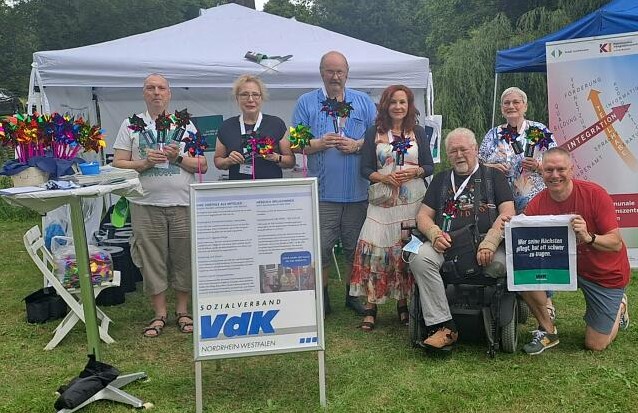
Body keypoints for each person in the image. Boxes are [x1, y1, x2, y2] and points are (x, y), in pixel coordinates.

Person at [113, 73, 208, 337]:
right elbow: (118, 162)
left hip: (183, 203)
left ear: (169, 94)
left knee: (183, 257)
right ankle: (159, 314)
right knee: (150, 259)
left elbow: (202, 165)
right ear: (144, 93)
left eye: (161, 88)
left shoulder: (186, 125)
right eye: (150, 88)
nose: (156, 92)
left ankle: (183, 311)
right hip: (145, 203)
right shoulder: (131, 125)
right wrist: (144, 164)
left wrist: (177, 159)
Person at [408, 127, 515, 350]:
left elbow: (507, 213)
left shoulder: (493, 177)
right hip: (447, 244)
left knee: (500, 266)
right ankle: (444, 326)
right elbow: (423, 216)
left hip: (486, 244)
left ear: (475, 149)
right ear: (448, 155)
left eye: (463, 149)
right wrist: (434, 234)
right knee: (420, 258)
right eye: (453, 151)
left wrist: (491, 242)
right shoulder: (440, 180)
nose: (459, 155)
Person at [517, 147, 630, 355]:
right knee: (522, 271)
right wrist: (510, 226)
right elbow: (523, 236)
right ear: (542, 172)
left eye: (561, 169)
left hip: (603, 273)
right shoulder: (538, 203)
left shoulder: (595, 194)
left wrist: (589, 238)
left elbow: (615, 243)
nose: (555, 175)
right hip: (564, 268)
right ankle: (547, 331)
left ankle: (619, 306)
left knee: (595, 345)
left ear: (571, 170)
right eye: (549, 170)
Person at [291, 51, 377, 315]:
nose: (335, 76)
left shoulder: (363, 102)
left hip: (357, 192)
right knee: (322, 248)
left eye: (340, 71)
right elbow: (295, 143)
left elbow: (378, 139)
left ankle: (354, 295)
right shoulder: (306, 103)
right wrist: (318, 143)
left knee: (355, 248)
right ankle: (322, 297)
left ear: (347, 74)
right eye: (330, 71)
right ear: (321, 73)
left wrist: (358, 145)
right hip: (323, 193)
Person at [349, 85, 434, 331]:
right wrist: (383, 177)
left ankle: (403, 303)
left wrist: (415, 171)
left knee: (405, 252)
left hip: (412, 204)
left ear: (409, 106)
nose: (398, 106)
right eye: (394, 102)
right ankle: (371, 306)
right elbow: (364, 169)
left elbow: (429, 166)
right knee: (374, 251)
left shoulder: (417, 132)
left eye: (403, 102)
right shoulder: (374, 132)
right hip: (383, 204)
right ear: (386, 105)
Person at [479, 86, 558, 319]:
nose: (511, 106)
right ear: (502, 108)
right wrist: (493, 167)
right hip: (502, 201)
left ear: (525, 105)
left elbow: (557, 163)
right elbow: (479, 163)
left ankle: (547, 299)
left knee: (536, 248)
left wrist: (541, 166)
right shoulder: (493, 134)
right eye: (506, 103)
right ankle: (514, 292)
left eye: (515, 102)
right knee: (508, 247)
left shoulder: (539, 131)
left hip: (534, 200)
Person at [214, 75, 295, 178]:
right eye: (244, 94)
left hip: (270, 188)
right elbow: (218, 161)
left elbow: (291, 161)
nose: (250, 99)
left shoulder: (276, 124)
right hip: (239, 189)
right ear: (237, 98)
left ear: (261, 98)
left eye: (255, 94)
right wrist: (228, 160)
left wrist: (276, 157)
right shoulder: (226, 126)